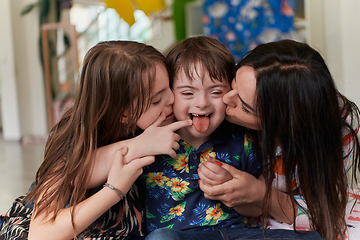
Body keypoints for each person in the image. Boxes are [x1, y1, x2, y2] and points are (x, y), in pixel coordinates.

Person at [0, 40, 192, 240]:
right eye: (156, 100)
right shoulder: (75, 136)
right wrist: (114, 188)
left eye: (171, 86)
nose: (172, 99)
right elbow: (42, 233)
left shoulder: (154, 120)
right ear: (122, 113)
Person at [142, 36, 322, 240]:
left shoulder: (242, 139)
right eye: (187, 93)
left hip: (234, 233)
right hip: (178, 236)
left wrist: (231, 187)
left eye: (216, 92)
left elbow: (254, 209)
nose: (201, 103)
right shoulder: (151, 139)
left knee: (313, 238)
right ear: (169, 94)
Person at [198, 39, 360, 240]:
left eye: (245, 107)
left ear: (284, 123)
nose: (225, 99)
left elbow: (322, 212)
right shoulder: (211, 109)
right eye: (234, 82)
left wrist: (259, 194)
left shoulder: (337, 127)